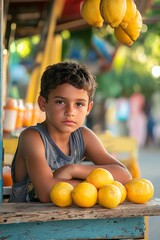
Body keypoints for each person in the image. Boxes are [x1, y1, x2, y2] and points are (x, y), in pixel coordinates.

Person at [9, 60, 132, 203]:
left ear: (88, 108)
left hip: (68, 222)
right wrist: (98, 187)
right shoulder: (32, 138)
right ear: (43, 103)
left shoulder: (84, 136)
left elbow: (124, 175)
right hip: (24, 222)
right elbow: (48, 192)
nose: (70, 112)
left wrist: (73, 169)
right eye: (60, 102)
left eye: (79, 104)